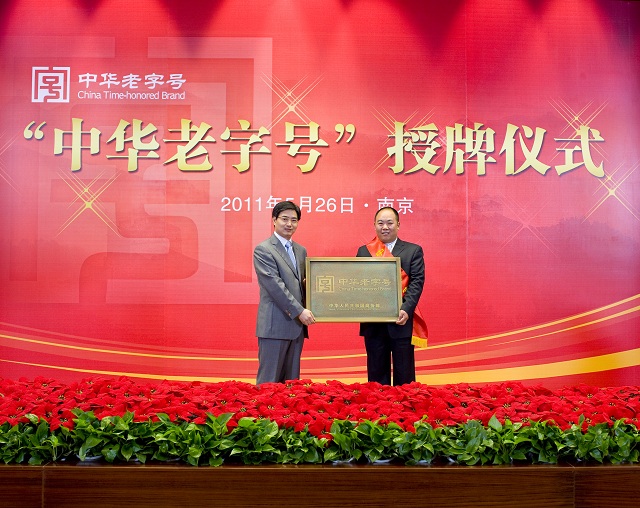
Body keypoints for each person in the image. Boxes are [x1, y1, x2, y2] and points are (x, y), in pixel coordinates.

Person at [356, 206, 425, 385]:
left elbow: (416, 283)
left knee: (404, 375)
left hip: (401, 321)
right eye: (380, 223)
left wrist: (406, 309)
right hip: (373, 323)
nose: (385, 227)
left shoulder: (413, 251)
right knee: (376, 378)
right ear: (374, 225)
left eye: (389, 223)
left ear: (398, 225)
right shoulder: (364, 251)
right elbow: (357, 284)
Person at [253, 201, 316, 384]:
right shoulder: (264, 249)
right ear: (274, 220)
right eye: (284, 219)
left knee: (291, 386)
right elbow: (275, 286)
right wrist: (299, 311)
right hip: (274, 326)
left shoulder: (301, 250)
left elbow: (302, 284)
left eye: (294, 220)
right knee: (269, 383)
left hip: (296, 327)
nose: (289, 224)